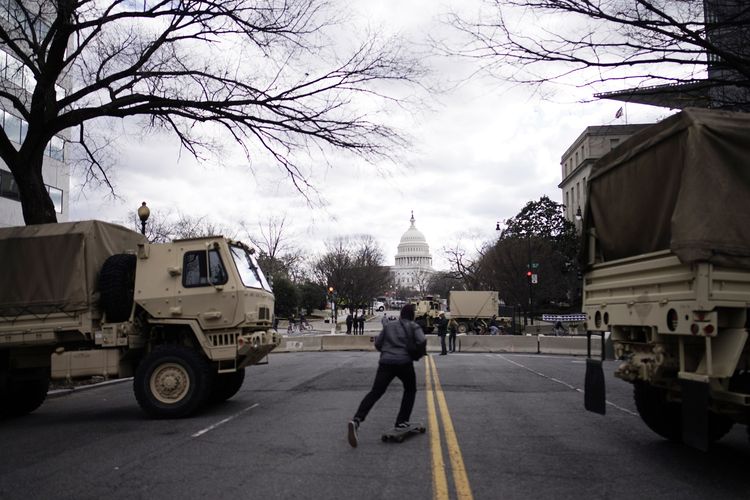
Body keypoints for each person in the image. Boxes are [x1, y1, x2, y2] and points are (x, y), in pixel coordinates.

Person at [347, 303, 426, 448]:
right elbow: (422, 341)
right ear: (412, 315)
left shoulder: (389, 326)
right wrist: (417, 354)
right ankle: (402, 421)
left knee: (376, 392)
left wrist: (387, 351)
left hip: (386, 363)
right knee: (410, 390)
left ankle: (357, 419)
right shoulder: (413, 327)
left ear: (401, 314)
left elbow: (378, 343)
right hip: (404, 363)